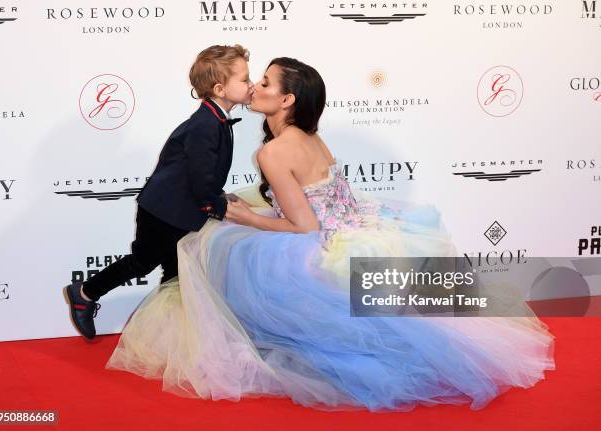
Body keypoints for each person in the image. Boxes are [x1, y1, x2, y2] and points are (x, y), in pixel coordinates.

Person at [106, 57, 555, 412]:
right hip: (357, 230)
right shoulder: (311, 137)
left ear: (286, 101)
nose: (255, 89)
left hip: (318, 247)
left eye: (264, 83)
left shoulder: (275, 151)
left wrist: (243, 218)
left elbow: (304, 226)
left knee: (220, 246)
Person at [64, 44, 253, 340]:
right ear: (220, 88)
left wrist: (219, 197)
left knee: (175, 275)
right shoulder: (206, 124)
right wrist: (219, 205)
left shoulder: (214, 119)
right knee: (151, 265)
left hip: (178, 209)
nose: (251, 84)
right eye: (244, 79)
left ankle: (155, 336)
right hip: (164, 211)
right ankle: (89, 297)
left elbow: (202, 175)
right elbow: (199, 181)